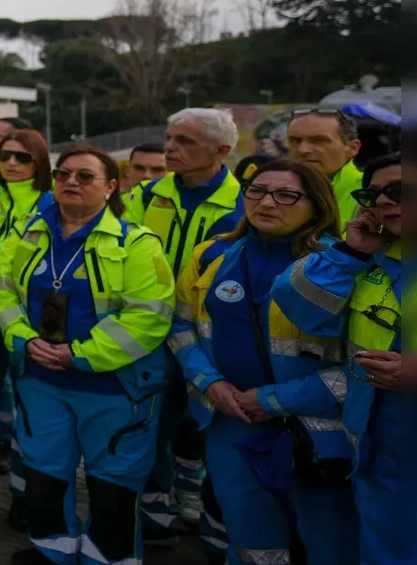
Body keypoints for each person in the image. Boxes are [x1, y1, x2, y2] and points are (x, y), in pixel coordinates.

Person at [0, 146, 174, 565]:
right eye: (63, 174)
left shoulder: (137, 244)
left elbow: (148, 318)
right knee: (45, 477)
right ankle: (52, 553)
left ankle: (106, 559)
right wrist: (22, 339)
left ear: (111, 187)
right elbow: (2, 292)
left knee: (112, 487)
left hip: (113, 389)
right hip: (41, 382)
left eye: (85, 176)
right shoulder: (27, 233)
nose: (71, 182)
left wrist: (78, 354)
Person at [169, 160, 358, 565]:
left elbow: (361, 366)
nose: (267, 202)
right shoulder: (212, 254)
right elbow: (181, 325)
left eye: (286, 195)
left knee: (329, 546)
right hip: (229, 424)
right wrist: (208, 382)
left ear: (318, 204)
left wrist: (274, 399)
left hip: (318, 434)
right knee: (253, 543)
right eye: (256, 190)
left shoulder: (343, 268)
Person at [274, 153, 406, 565]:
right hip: (381, 448)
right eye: (373, 193)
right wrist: (350, 251)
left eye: (399, 191)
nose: (383, 202)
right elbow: (297, 302)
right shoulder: (368, 260)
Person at [129, 107, 243, 549]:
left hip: (211, 339)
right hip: (149, 333)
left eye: (184, 141)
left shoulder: (244, 203)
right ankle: (157, 507)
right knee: (151, 421)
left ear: (222, 151)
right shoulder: (146, 195)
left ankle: (200, 503)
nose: (170, 148)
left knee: (205, 425)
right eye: (169, 138)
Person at [0, 128, 53, 518]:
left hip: (32, 318)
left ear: (40, 163)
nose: (12, 164)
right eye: (5, 157)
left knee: (29, 407)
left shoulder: (53, 202)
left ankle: (23, 496)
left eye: (23, 158)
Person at [284, 107, 365, 229]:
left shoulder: (373, 192)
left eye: (319, 141)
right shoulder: (255, 188)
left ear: (352, 148)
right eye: (295, 140)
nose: (303, 150)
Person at [121, 142, 168, 211]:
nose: (147, 176)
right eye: (139, 168)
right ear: (128, 170)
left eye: (157, 169)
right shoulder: (110, 208)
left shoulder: (185, 210)